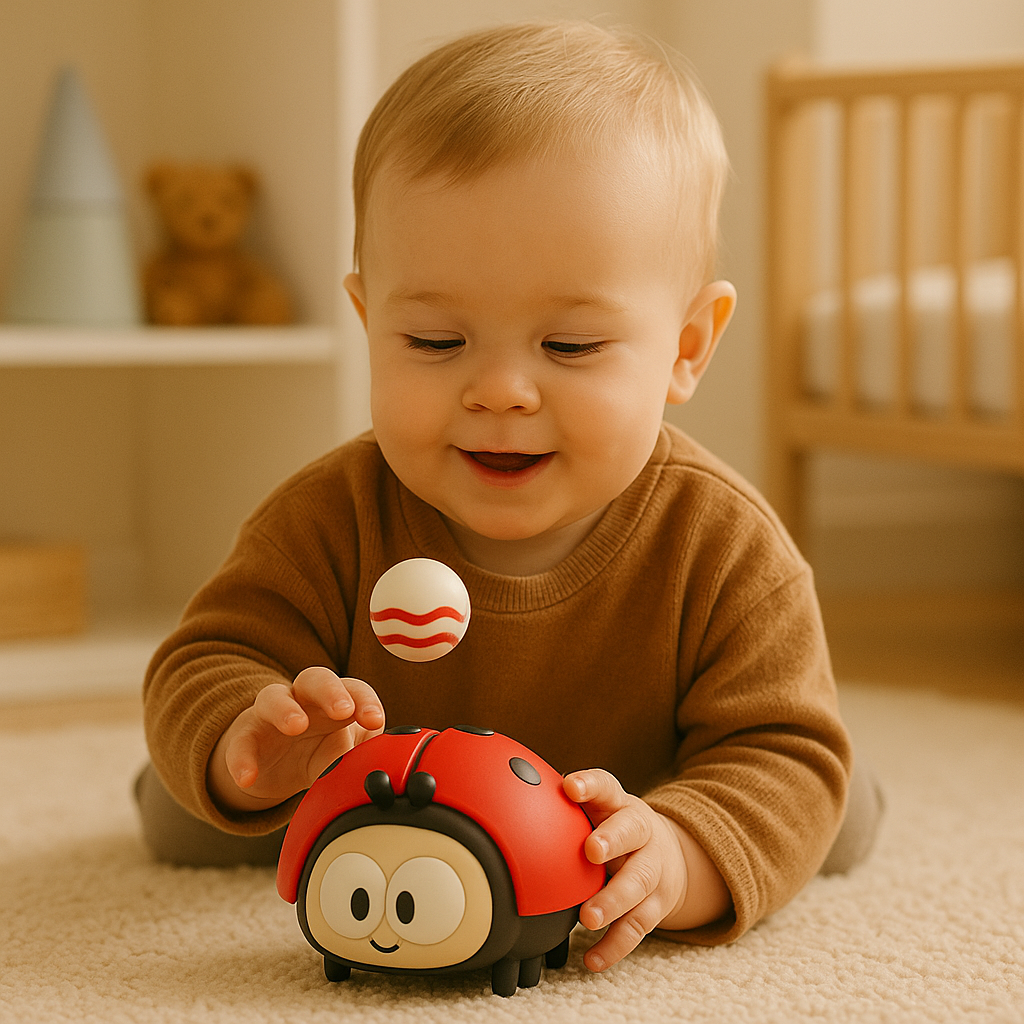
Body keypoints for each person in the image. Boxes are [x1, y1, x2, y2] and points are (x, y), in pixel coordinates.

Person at [136, 20, 882, 975]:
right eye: (436, 342)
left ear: (687, 348)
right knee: (185, 809)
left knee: (827, 810)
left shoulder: (723, 542)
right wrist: (251, 732)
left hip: (632, 792)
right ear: (370, 322)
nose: (499, 391)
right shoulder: (330, 514)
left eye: (568, 348)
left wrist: (680, 852)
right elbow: (210, 650)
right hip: (389, 803)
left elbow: (778, 743)